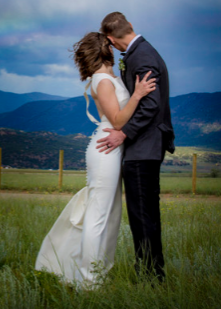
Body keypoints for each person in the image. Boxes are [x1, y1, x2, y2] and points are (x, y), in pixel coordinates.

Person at [35, 31, 156, 286]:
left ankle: (94, 273)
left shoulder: (108, 78)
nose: (113, 47)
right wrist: (138, 94)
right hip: (106, 150)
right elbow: (118, 120)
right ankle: (88, 283)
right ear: (106, 49)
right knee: (98, 216)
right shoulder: (102, 80)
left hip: (111, 149)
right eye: (110, 45)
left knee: (108, 215)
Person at [97, 12, 175, 282]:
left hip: (144, 147)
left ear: (110, 38)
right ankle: (152, 275)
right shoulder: (143, 51)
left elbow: (150, 105)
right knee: (146, 216)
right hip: (146, 146)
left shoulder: (141, 56)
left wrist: (123, 134)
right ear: (130, 25)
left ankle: (151, 278)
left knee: (143, 217)